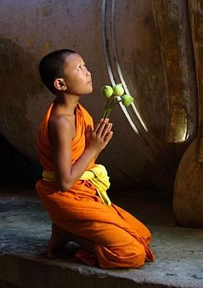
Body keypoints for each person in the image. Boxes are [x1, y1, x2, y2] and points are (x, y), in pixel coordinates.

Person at [35, 49, 155, 268]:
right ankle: (69, 232)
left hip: (84, 193)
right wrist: (93, 148)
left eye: (85, 65)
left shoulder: (80, 112)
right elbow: (64, 183)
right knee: (132, 253)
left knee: (143, 235)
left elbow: (83, 163)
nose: (88, 72)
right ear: (61, 84)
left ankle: (65, 229)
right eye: (79, 68)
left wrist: (96, 145)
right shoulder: (61, 122)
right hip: (66, 197)